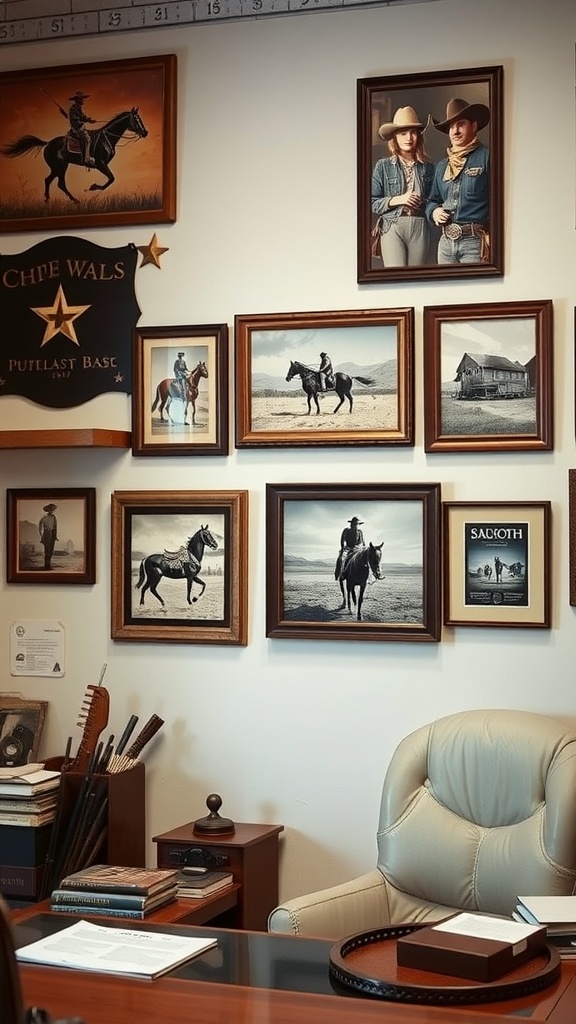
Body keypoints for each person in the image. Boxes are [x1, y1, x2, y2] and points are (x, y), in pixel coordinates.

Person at [426, 97, 490, 265]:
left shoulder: (487, 157)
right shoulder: (442, 165)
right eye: (451, 127)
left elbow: (499, 202)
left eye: (460, 124)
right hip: (445, 244)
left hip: (475, 242)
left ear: (474, 126)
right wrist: (433, 212)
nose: (455, 131)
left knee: (474, 291)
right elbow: (432, 200)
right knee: (445, 291)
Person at [371, 106, 434, 267]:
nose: (409, 138)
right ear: (395, 137)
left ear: (418, 136)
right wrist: (400, 199)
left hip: (420, 226)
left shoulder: (427, 167)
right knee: (395, 275)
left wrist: (426, 203)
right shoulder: (383, 166)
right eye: (403, 133)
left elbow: (434, 200)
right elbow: (373, 203)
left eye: (413, 132)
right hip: (393, 225)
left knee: (416, 278)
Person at [64, 90, 96, 167]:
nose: (83, 100)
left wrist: (88, 120)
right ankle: (86, 160)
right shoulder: (73, 108)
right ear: (77, 99)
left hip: (80, 128)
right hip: (76, 129)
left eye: (83, 98)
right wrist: (84, 122)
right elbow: (74, 120)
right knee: (87, 138)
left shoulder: (79, 107)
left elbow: (83, 117)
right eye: (81, 98)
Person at [38, 503, 58, 570]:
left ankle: (49, 565)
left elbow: (55, 527)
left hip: (52, 533)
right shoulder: (44, 517)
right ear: (48, 510)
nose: (52, 511)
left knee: (51, 550)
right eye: (50, 510)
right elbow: (40, 527)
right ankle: (46, 565)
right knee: (47, 550)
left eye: (53, 510)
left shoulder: (54, 517)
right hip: (46, 533)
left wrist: (55, 536)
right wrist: (41, 536)